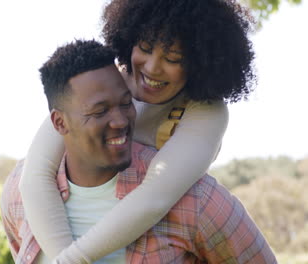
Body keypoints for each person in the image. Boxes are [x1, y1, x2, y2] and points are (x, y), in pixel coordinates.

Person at [18, 0, 258, 262]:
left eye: (173, 58)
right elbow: (35, 175)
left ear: (200, 62)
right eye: (145, 48)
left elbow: (154, 198)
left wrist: (73, 259)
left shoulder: (205, 113)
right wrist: (62, 257)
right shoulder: (106, 81)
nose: (153, 67)